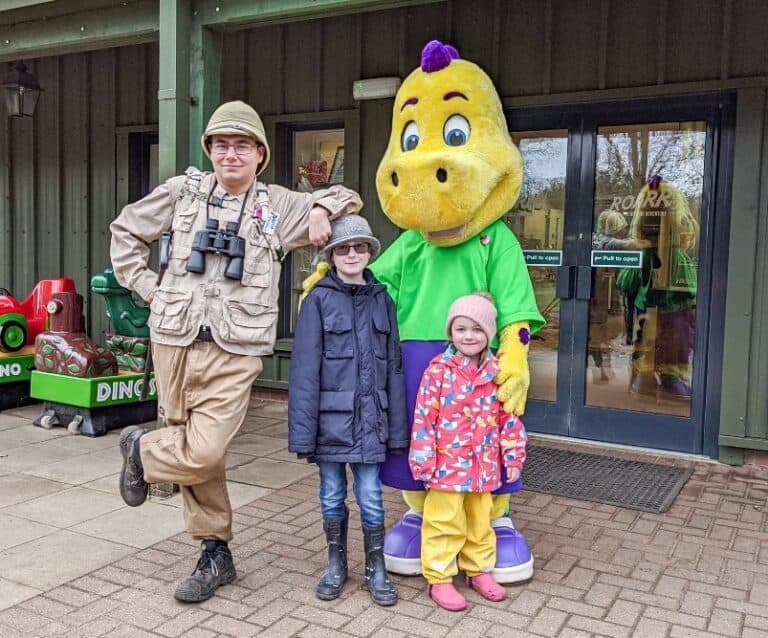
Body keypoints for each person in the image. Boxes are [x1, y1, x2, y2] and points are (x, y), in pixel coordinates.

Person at [109, 100, 362, 603]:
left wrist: (318, 208)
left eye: (242, 145)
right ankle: (214, 552)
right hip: (174, 337)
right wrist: (146, 285)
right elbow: (126, 230)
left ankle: (141, 452)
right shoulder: (183, 194)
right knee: (194, 450)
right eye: (221, 145)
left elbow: (348, 196)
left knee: (204, 448)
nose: (230, 154)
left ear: (260, 154)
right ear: (209, 151)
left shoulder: (278, 205)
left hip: (235, 349)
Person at [288, 215, 408, 606]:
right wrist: (303, 434)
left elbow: (394, 367)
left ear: (370, 252)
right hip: (330, 424)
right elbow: (305, 370)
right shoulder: (318, 300)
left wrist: (397, 428)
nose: (352, 254)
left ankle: (376, 567)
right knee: (331, 494)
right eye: (343, 248)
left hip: (372, 421)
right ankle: (336, 564)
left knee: (371, 496)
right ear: (332, 255)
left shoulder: (383, 299)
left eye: (359, 247)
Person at [409, 293, 528, 611]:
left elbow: (510, 418)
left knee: (480, 521)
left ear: (488, 333)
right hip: (446, 466)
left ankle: (478, 570)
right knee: (442, 522)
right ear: (451, 332)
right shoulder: (438, 371)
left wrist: (513, 455)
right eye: (461, 329)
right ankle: (439, 577)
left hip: (484, 465)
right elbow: (424, 418)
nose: (468, 336)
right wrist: (423, 460)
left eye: (477, 329)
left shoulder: (497, 372)